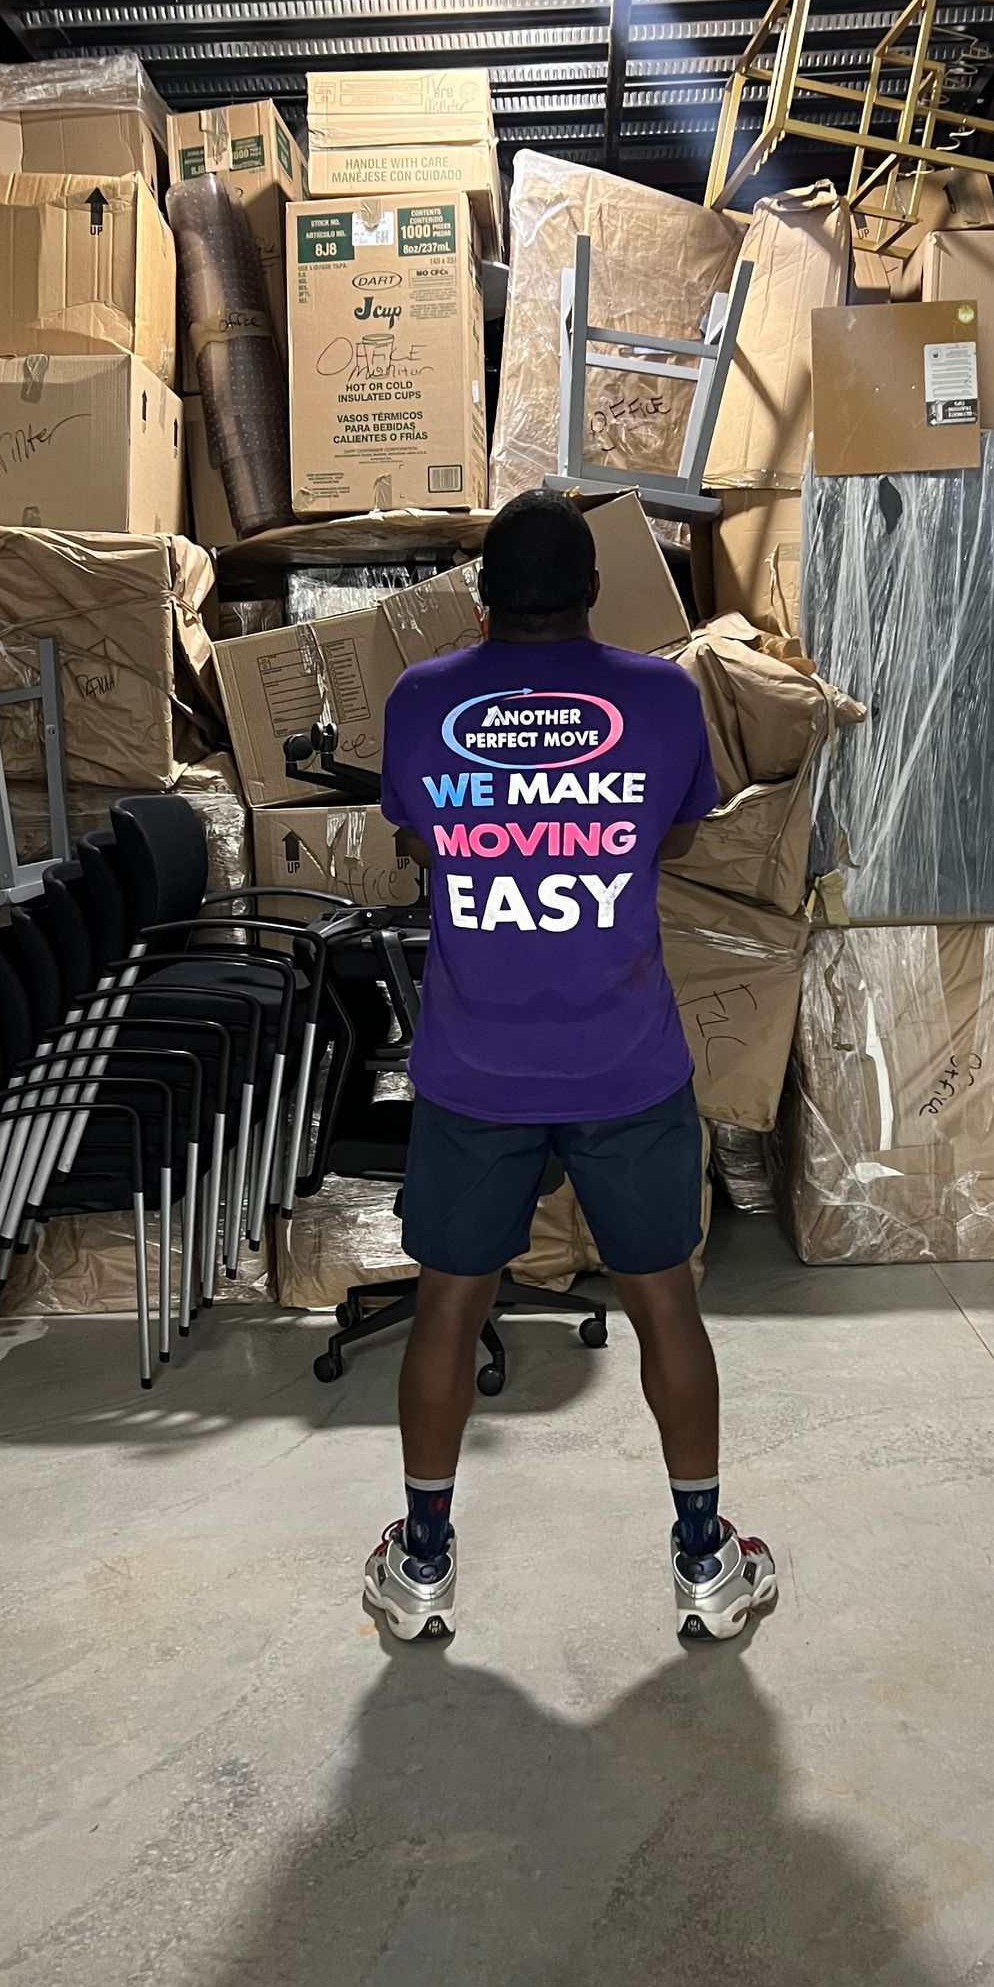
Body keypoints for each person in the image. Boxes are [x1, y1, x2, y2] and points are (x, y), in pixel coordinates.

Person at [363, 489, 778, 1646]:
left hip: (473, 1066)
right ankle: (705, 1563)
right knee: (665, 1303)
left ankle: (426, 1566)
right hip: (625, 1066)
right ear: (595, 593)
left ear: (482, 600)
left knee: (450, 1303)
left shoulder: (419, 700)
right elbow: (677, 834)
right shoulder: (659, 697)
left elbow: (414, 835)